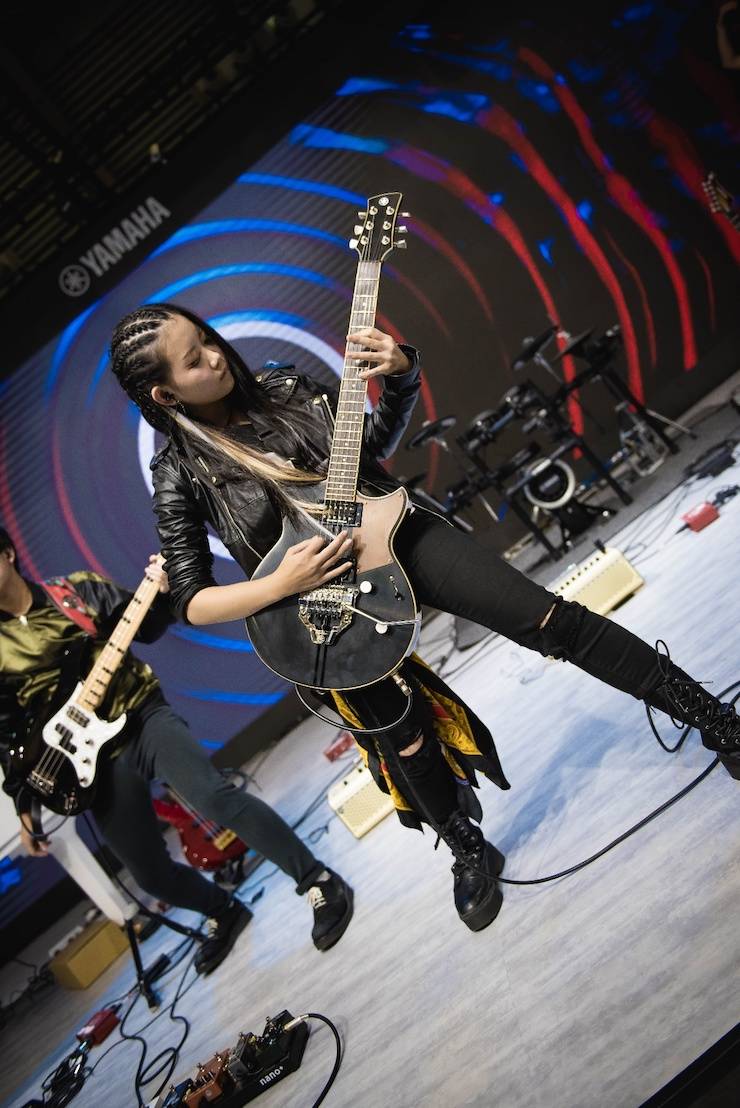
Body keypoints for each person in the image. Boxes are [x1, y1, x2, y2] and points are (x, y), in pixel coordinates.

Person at [109, 303, 740, 933]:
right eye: (194, 360)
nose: (215, 355)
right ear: (166, 393)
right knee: (402, 735)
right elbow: (191, 600)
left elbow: (370, 447)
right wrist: (280, 583)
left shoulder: (286, 387)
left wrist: (402, 374)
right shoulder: (178, 472)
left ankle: (714, 719)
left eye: (207, 339)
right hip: (324, 609)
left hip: (398, 535)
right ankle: (467, 847)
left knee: (551, 621)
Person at [0, 527, 353, 972]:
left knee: (215, 798)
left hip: (140, 716)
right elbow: (8, 735)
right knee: (149, 875)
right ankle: (222, 910)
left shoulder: (74, 592)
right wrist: (25, 805)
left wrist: (163, 592)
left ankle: (317, 879)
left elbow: (147, 627)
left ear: (8, 554)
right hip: (89, 765)